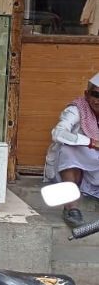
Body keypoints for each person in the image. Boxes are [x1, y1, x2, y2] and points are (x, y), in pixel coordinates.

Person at [44, 74, 99, 226]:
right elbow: (58, 133)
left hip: (95, 170)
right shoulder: (76, 110)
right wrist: (92, 143)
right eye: (96, 95)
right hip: (75, 170)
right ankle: (71, 207)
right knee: (68, 150)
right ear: (87, 95)